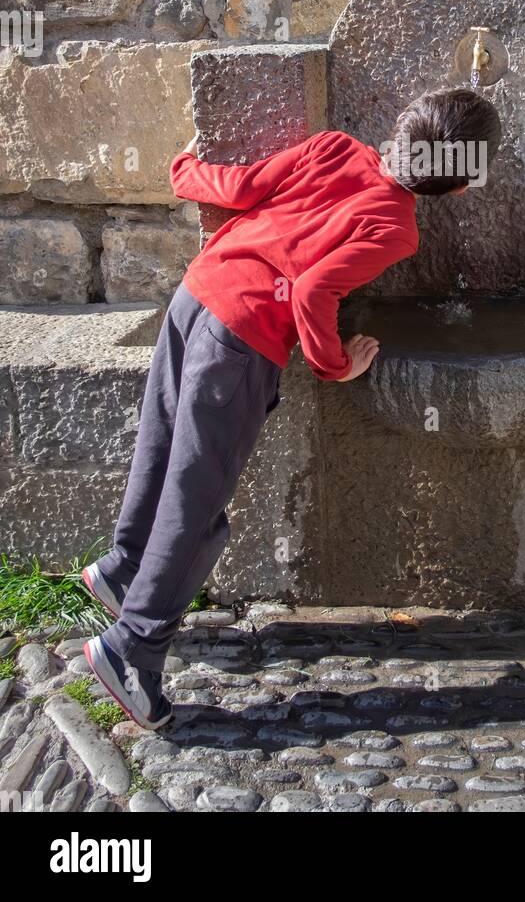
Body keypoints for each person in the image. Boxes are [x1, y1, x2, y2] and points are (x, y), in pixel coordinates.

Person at [81, 88, 502, 728]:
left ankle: (125, 568)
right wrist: (336, 364)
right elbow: (310, 290)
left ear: (400, 127)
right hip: (240, 343)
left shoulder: (335, 146)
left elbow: (244, 188)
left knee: (161, 446)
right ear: (462, 188)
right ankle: (132, 649)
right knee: (199, 505)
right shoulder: (396, 228)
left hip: (195, 296)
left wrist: (184, 171)